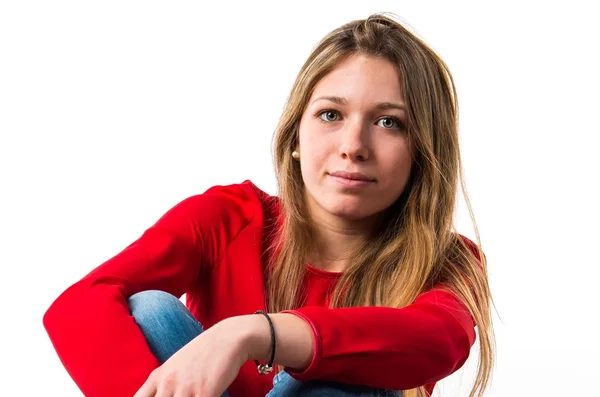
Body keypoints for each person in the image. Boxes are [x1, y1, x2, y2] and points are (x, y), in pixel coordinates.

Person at [43, 13, 495, 397]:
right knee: (150, 312)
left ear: (423, 150)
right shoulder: (228, 216)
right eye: (331, 115)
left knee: (336, 381)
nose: (353, 146)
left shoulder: (449, 262)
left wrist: (254, 333)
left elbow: (438, 340)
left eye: (388, 122)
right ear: (296, 135)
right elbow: (77, 306)